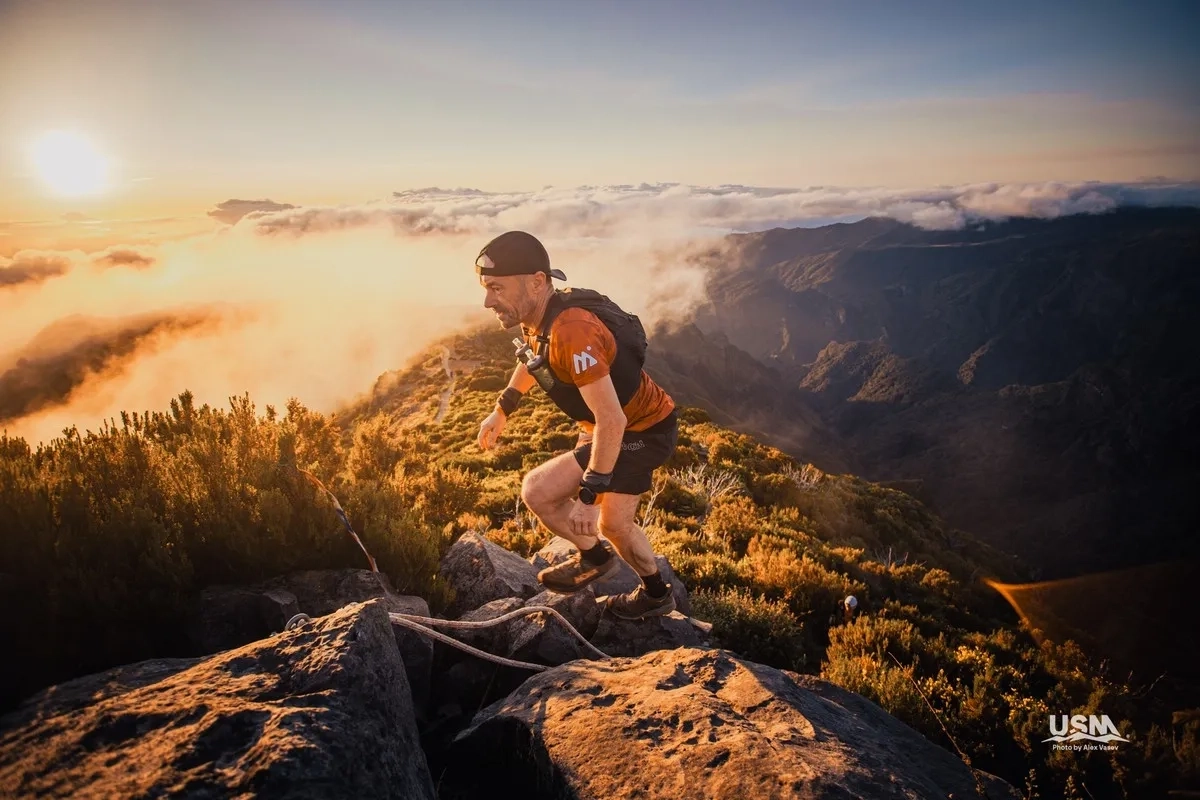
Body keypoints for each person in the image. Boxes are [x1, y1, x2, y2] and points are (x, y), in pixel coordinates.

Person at [474, 230, 680, 620]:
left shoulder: (573, 330)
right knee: (539, 492)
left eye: (497, 289)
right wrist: (502, 408)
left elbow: (612, 419)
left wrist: (589, 496)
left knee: (612, 523)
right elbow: (533, 359)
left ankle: (655, 594)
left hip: (643, 431)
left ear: (537, 281)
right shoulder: (539, 317)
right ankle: (596, 558)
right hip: (610, 426)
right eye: (486, 289)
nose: (488, 301)